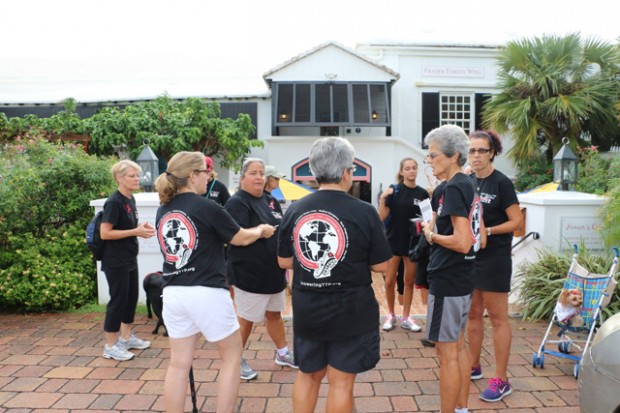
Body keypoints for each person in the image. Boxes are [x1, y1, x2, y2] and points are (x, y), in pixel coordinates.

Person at [154, 151, 275, 413]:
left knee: (178, 364)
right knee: (231, 357)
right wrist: (261, 230)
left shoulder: (164, 210)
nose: (209, 176)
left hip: (173, 292)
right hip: (206, 291)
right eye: (205, 172)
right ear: (192, 175)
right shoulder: (206, 207)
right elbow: (240, 237)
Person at [277, 137, 392, 413]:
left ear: (315, 171)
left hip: (308, 306)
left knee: (309, 374)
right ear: (345, 173)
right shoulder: (365, 211)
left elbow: (284, 261)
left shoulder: (295, 209)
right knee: (341, 382)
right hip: (351, 308)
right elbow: (382, 265)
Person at [421, 125, 482, 413]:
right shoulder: (462, 185)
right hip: (462, 276)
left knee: (447, 353)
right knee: (457, 346)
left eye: (433, 155)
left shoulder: (456, 187)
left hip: (448, 278)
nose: (429, 160)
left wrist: (432, 236)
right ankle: (461, 408)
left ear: (453, 155)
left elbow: (462, 241)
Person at [225, 158, 296, 381]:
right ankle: (235, 360)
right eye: (253, 173)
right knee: (246, 319)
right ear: (243, 177)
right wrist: (260, 230)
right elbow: (235, 236)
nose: (258, 177)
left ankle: (283, 353)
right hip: (250, 273)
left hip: (273, 271)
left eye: (261, 173)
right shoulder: (237, 202)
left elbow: (280, 230)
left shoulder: (270, 200)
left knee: (274, 314)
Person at [466, 130, 522, 402]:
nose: (476, 155)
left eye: (481, 150)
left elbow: (517, 222)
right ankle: (474, 365)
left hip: (495, 257)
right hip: (471, 257)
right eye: (472, 150)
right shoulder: (467, 181)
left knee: (498, 318)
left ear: (492, 153)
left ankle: (502, 379)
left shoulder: (501, 183)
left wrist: (488, 230)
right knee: (473, 314)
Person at [100, 160, 156, 361]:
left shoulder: (129, 199)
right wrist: (135, 231)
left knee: (130, 298)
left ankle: (125, 338)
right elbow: (105, 233)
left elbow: (126, 227)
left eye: (137, 175)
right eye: (132, 176)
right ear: (119, 178)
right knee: (118, 301)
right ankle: (110, 346)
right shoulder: (114, 202)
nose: (136, 179)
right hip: (115, 260)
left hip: (129, 258)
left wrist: (140, 228)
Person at [378, 158, 430, 332]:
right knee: (389, 281)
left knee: (409, 281)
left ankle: (406, 317)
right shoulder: (394, 191)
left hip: (413, 243)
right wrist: (383, 198)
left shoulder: (422, 194)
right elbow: (381, 217)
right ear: (401, 171)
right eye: (407, 168)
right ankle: (391, 315)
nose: (411, 171)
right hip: (393, 241)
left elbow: (428, 219)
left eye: (414, 168)